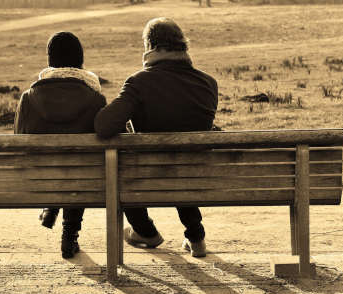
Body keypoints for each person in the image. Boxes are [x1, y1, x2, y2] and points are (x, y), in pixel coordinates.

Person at [94, 17, 218, 257]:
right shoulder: (209, 83)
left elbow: (103, 125)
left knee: (121, 163)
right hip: (196, 177)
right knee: (183, 156)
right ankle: (196, 236)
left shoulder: (139, 82)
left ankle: (145, 231)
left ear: (152, 46)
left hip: (147, 177)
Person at [14, 32, 106, 258]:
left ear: (50, 60)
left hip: (40, 179)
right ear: (80, 60)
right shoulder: (95, 97)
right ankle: (70, 235)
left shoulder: (29, 97)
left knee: (59, 166)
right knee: (79, 166)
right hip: (83, 179)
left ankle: (51, 205)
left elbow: (18, 138)